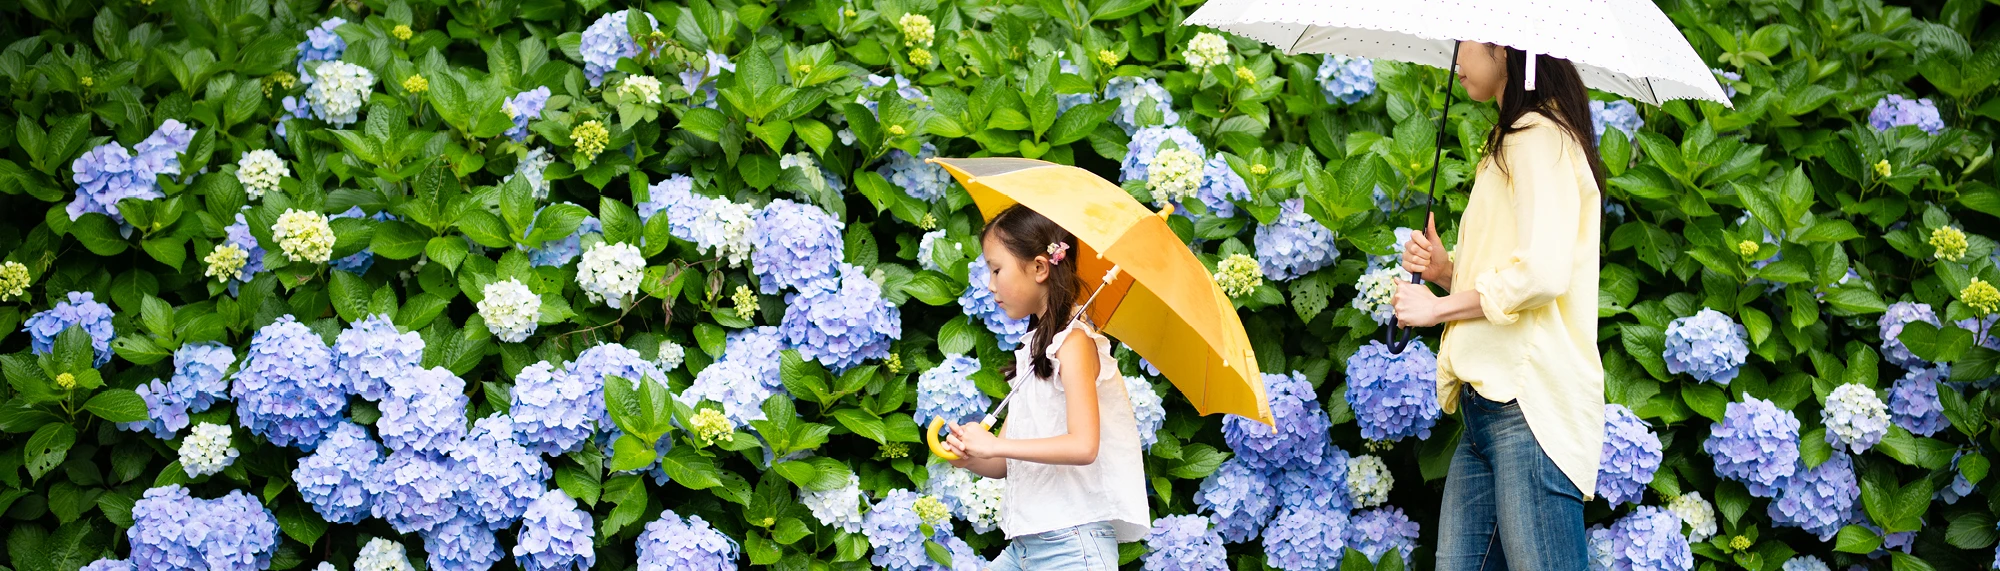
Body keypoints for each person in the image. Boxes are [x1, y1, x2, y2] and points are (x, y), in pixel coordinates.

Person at [1391, 40, 1607, 571]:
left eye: (1465, 38)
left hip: (1526, 408)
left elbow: (1542, 273)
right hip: (1488, 408)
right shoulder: (1514, 137)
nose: (1454, 53)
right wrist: (1446, 270)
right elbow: (1515, 263)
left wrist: (1436, 308)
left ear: (1506, 50)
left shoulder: (1538, 137)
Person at [940, 204, 1150, 571]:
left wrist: (995, 444)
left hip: (1071, 547)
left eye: (996, 269)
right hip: (1027, 547)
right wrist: (972, 457)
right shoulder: (1035, 348)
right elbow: (1007, 462)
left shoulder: (1076, 344)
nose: (990, 285)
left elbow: (1083, 445)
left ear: (1039, 267)